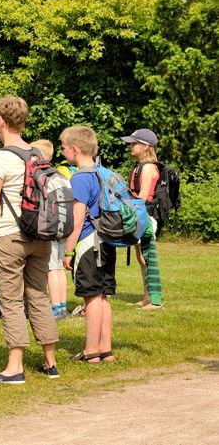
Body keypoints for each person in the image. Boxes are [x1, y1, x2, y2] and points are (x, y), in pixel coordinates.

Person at [0, 96, 58, 384]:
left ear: (1, 121)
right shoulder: (38, 154)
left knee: (11, 300)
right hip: (41, 234)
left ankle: (14, 367)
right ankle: (51, 362)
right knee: (39, 295)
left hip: (10, 235)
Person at [60, 125, 117, 363]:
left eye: (64, 148)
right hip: (107, 240)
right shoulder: (105, 173)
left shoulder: (80, 178)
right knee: (102, 296)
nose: (62, 152)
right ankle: (106, 349)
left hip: (87, 243)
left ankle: (91, 351)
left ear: (74, 149)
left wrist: (68, 251)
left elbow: (77, 218)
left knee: (91, 297)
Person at [123, 128, 164, 309]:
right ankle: (147, 297)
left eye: (135, 143)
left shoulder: (147, 168)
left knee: (148, 257)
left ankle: (155, 300)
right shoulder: (139, 166)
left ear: (146, 146)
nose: (131, 146)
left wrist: (123, 206)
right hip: (139, 214)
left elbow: (143, 196)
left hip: (146, 216)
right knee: (141, 258)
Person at [30, 139, 70, 320]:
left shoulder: (41, 176)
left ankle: (55, 307)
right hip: (63, 226)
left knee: (52, 268)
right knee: (59, 267)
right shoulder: (60, 175)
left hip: (50, 227)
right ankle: (62, 304)